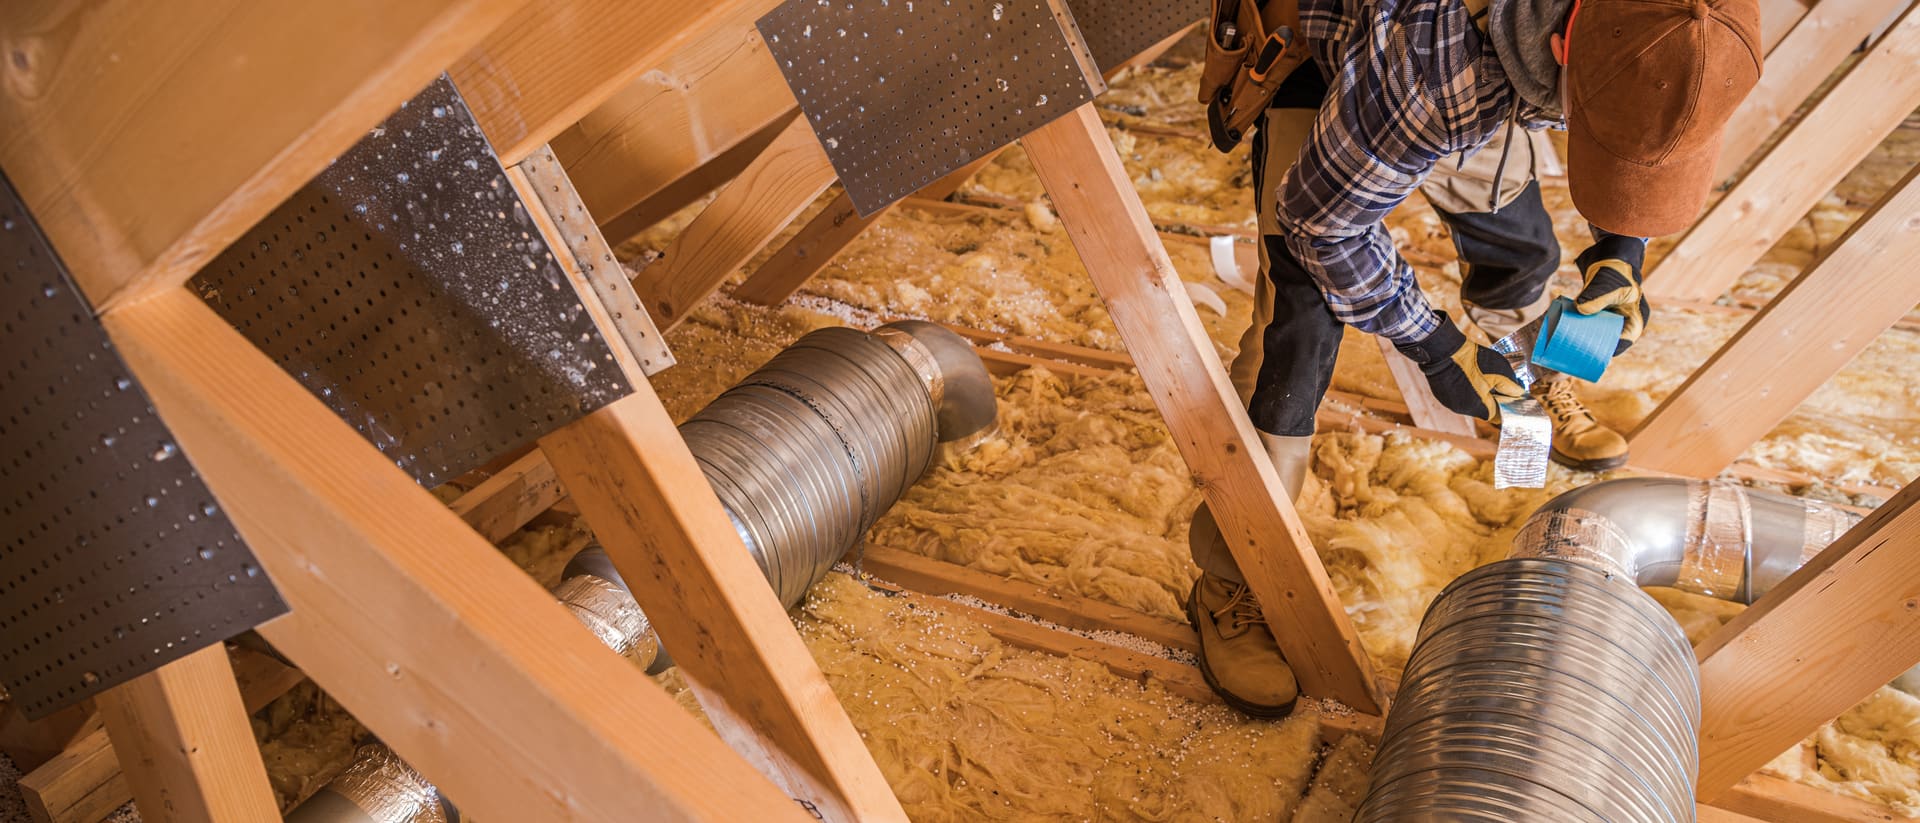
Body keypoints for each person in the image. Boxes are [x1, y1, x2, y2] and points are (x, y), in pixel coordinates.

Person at [1188, 0, 1762, 715]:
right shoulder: (1433, 76)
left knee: (1518, 244)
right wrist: (1436, 348)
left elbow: (1656, 79)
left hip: (1462, 58)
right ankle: (1232, 570)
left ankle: (1526, 377)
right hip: (1324, 44)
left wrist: (1621, 249)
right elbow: (1321, 224)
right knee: (1300, 331)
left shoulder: (1691, 20)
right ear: (1560, 49)